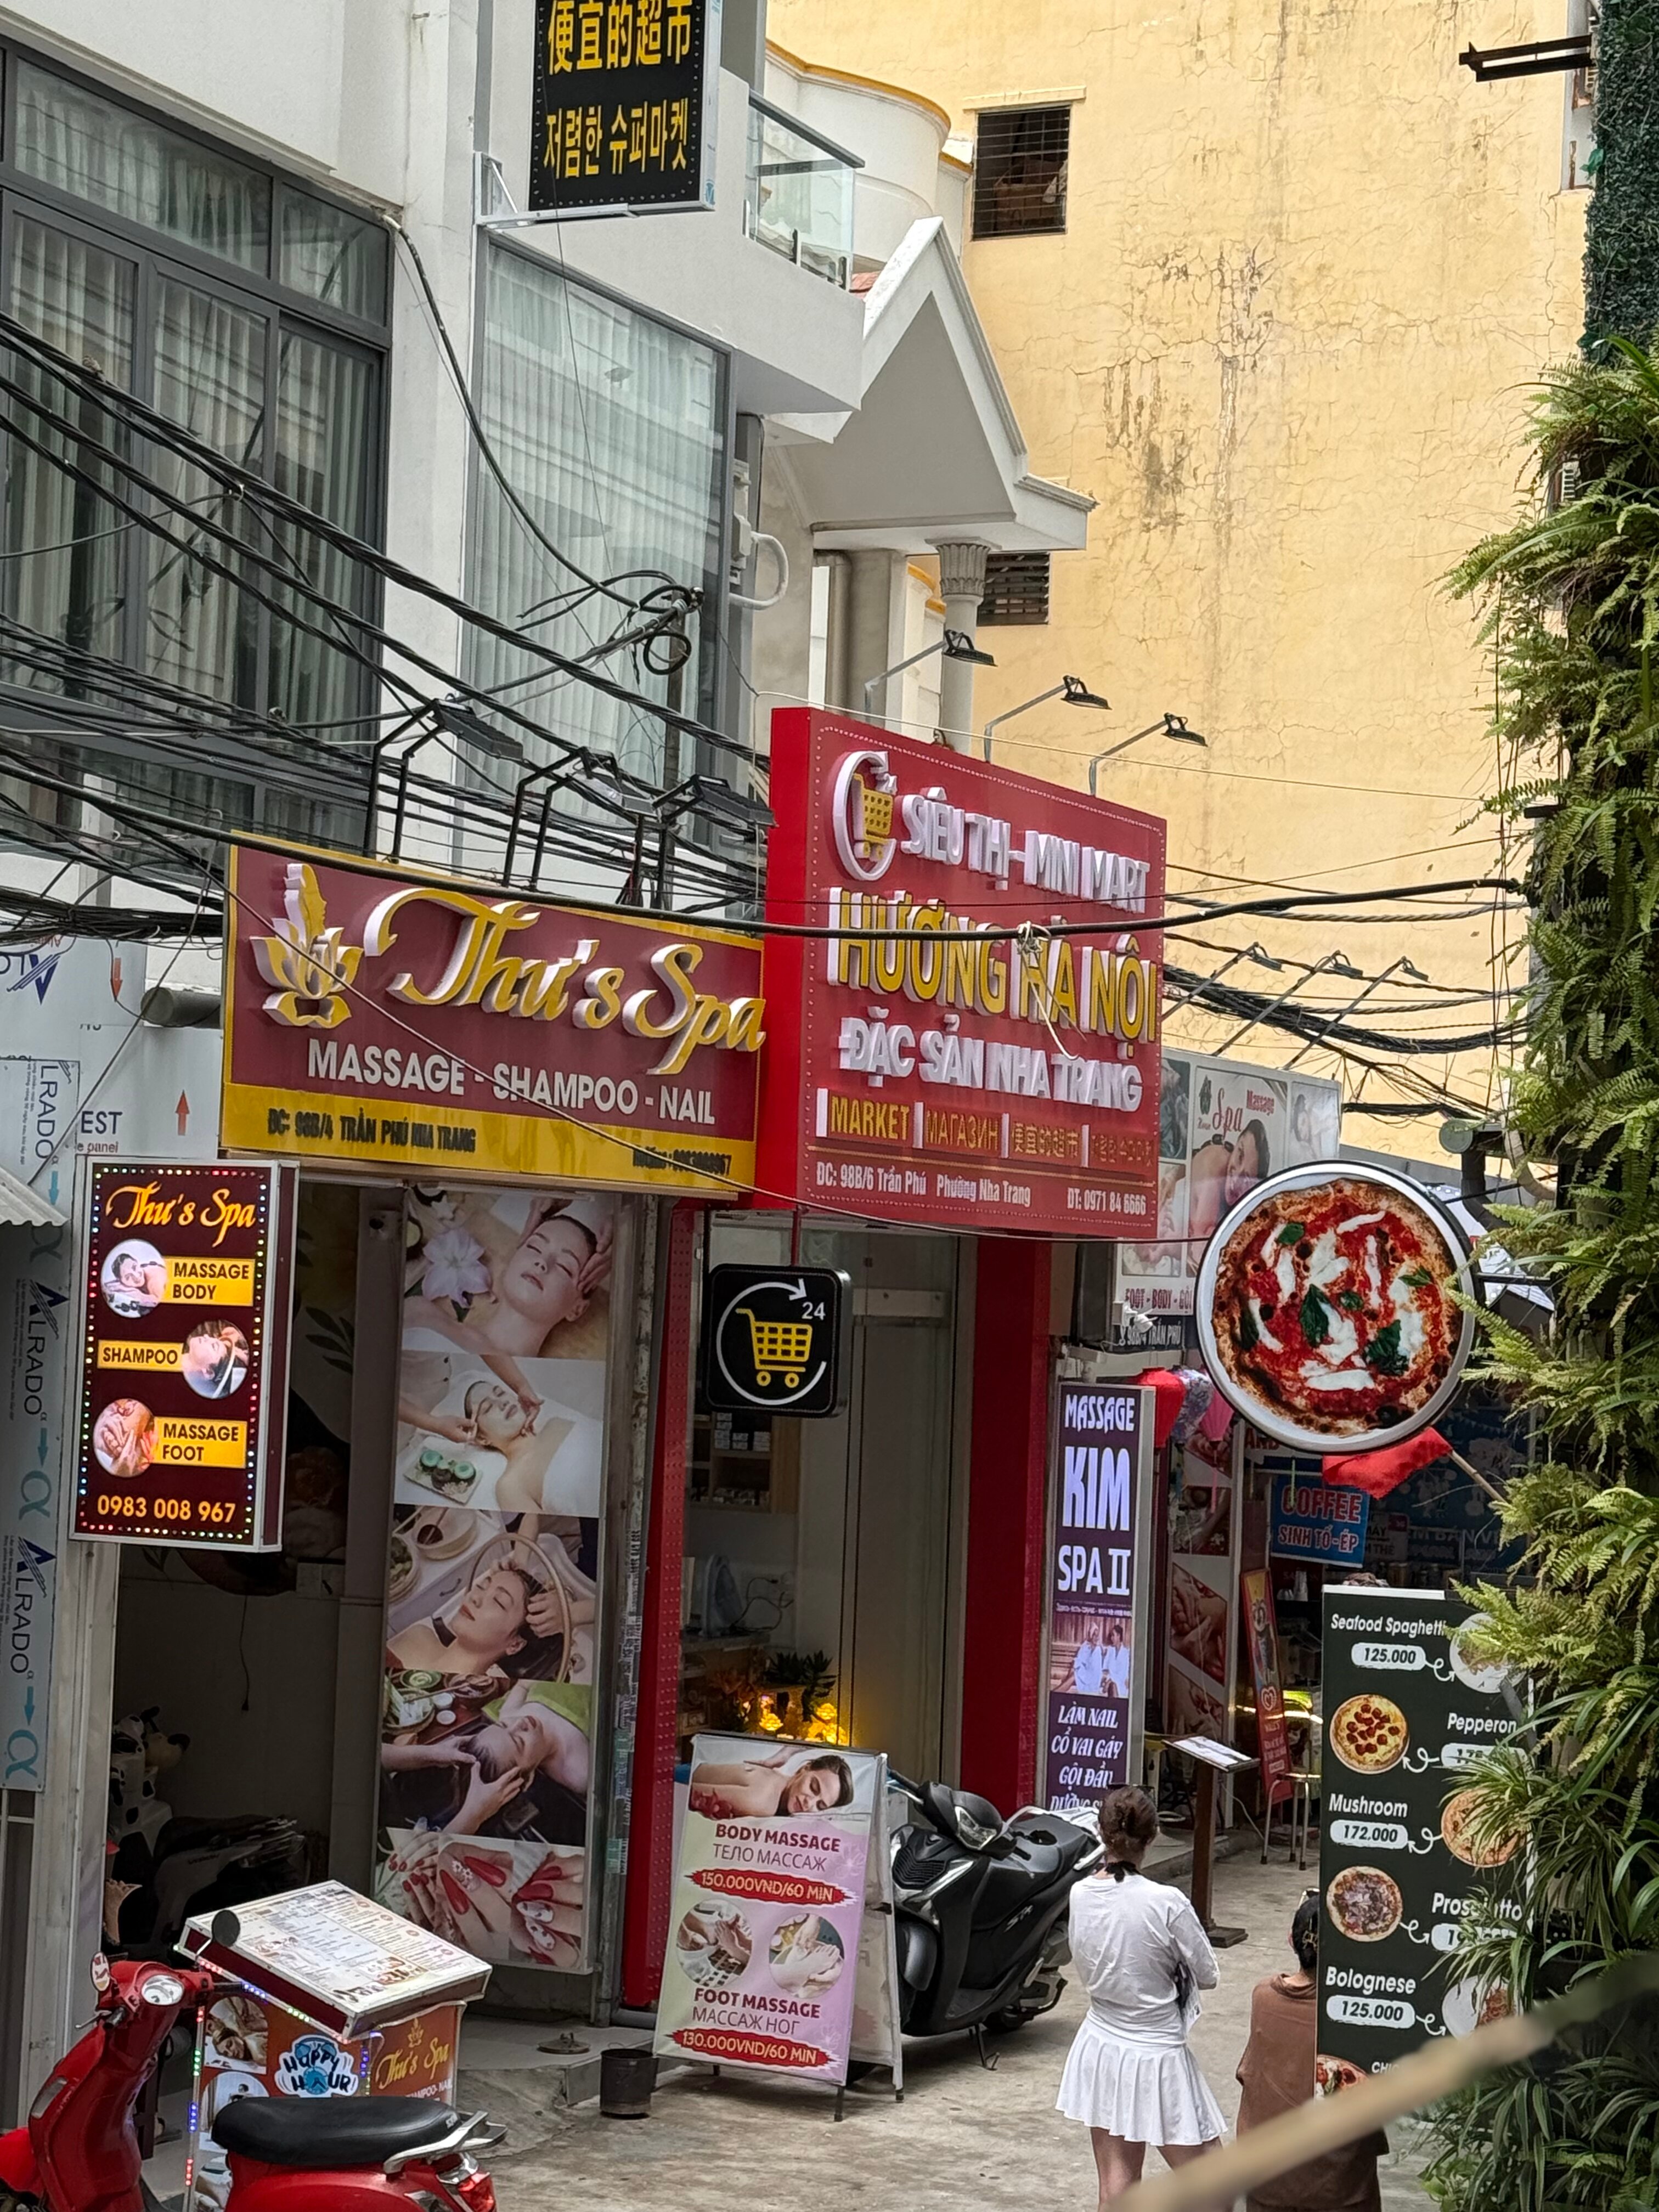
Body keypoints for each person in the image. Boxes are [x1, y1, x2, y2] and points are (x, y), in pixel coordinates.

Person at [1057, 1785, 1225, 2205]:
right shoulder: (1166, 1903)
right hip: (1156, 2052)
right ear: (1152, 1838)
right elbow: (1208, 1974)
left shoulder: (1080, 1893)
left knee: (1116, 2188)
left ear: (1102, 1833)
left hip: (1102, 2042)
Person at [1237, 1892, 1386, 2210]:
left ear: (1291, 1940)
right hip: (1339, 2188)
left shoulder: (1264, 1996)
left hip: (1266, 2178)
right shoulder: (1357, 2013)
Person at [387, 1559, 567, 1681]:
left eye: (499, 1602)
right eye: (482, 1586)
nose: (475, 1598)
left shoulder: (469, 1706)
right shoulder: (419, 1636)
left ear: (515, 1645)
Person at [687, 1747, 855, 1819]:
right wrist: (788, 1751)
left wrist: (788, 1751)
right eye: (813, 1787)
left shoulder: (778, 1782)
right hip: (681, 1777)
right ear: (805, 1768)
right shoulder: (764, 1802)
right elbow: (686, 1793)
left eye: (820, 1806)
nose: (809, 1803)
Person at [1073, 1618, 1106, 1694]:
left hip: (1094, 1676)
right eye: (1094, 1635)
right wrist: (1077, 1666)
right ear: (1091, 1636)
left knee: (1073, 1676)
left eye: (1097, 1636)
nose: (1096, 1638)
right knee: (1073, 1673)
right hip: (1086, 1672)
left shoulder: (1098, 1649)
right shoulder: (1086, 1646)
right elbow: (1080, 1660)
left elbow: (1097, 1668)